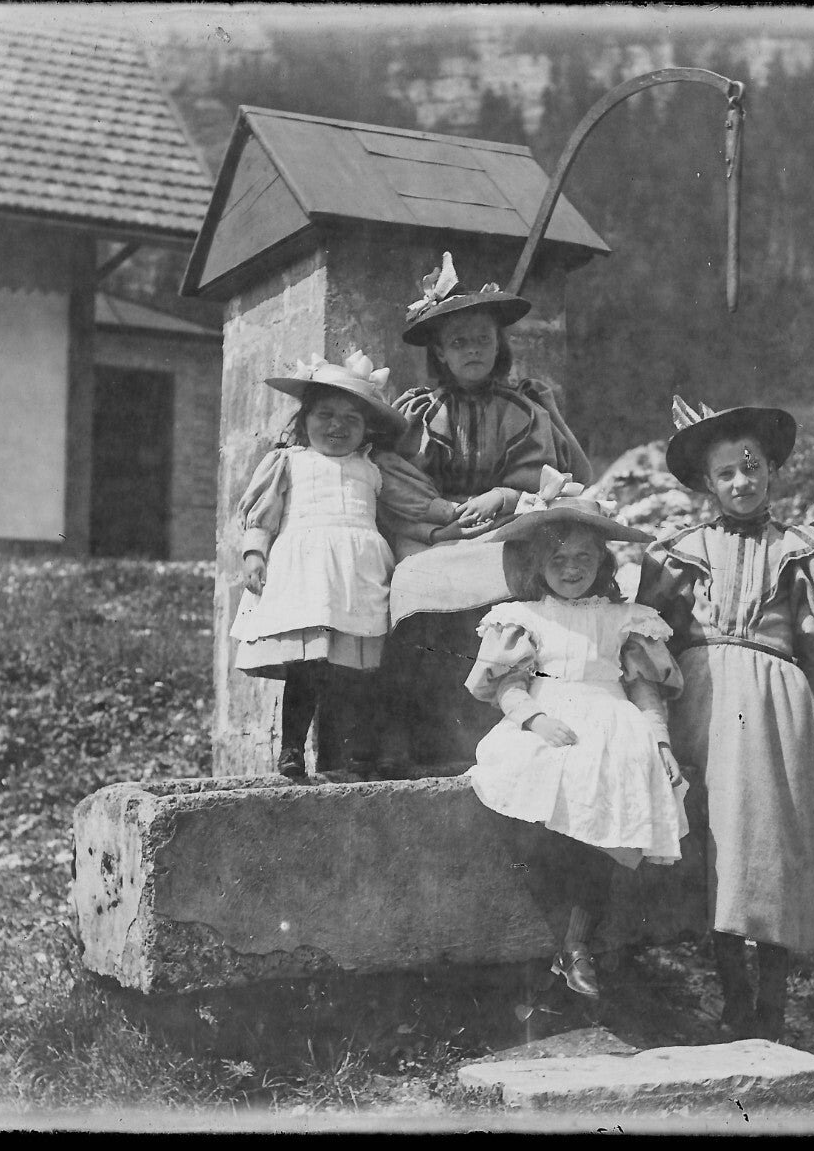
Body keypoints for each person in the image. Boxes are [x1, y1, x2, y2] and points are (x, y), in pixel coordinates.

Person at [635, 395, 814, 1042]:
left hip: (769, 701)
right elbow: (654, 626)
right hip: (703, 700)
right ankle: (732, 995)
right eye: (726, 473)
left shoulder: (801, 548)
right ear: (706, 483)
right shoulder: (682, 549)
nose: (741, 482)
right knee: (715, 842)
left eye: (751, 467)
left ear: (771, 469)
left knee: (770, 843)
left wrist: (785, 687)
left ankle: (774, 1004)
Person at [462, 474, 688, 998]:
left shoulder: (624, 620)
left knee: (608, 828)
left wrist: (660, 744)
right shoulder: (524, 618)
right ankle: (556, 944)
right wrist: (533, 720)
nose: (571, 570)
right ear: (538, 564)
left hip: (614, 724)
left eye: (584, 559)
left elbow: (645, 690)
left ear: (603, 563)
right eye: (558, 559)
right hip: (549, 716)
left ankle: (579, 944)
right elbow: (509, 687)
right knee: (545, 807)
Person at [375, 252, 595, 773]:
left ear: (499, 346)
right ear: (441, 354)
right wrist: (441, 516)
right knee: (411, 582)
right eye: (458, 342)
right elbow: (399, 478)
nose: (472, 350)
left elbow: (546, 479)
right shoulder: (422, 413)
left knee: (507, 584)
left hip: (503, 528)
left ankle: (490, 731)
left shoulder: (523, 412)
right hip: (435, 533)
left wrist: (505, 496)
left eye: (482, 339)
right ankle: (426, 740)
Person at [229, 351, 458, 781]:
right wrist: (254, 552)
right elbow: (263, 514)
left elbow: (410, 505)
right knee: (307, 666)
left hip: (358, 578)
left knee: (357, 669)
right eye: (325, 415)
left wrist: (448, 515)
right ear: (304, 419)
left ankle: (355, 754)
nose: (337, 427)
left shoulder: (372, 468)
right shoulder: (290, 462)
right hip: (305, 577)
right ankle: (292, 749)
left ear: (366, 429)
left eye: (351, 419)